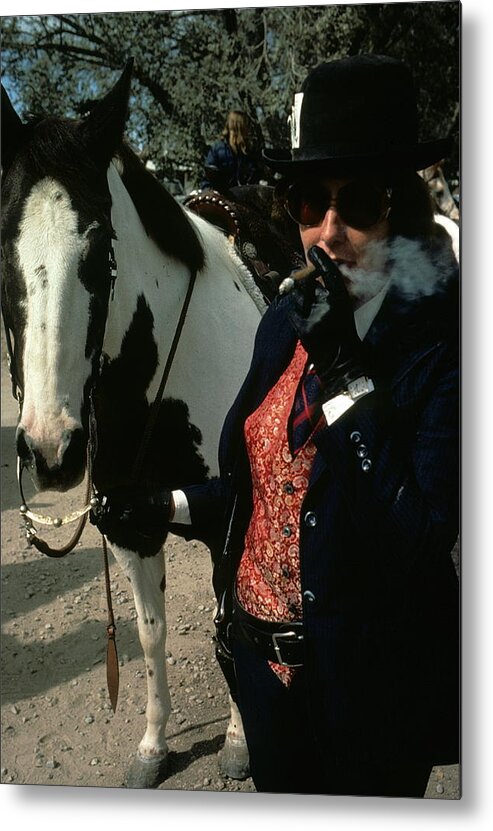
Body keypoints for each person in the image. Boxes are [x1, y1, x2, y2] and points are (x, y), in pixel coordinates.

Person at [94, 55, 459, 798]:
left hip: (366, 698)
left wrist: (346, 379)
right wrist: (163, 505)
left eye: (356, 202)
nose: (326, 232)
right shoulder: (283, 322)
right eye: (304, 201)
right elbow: (259, 490)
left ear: (403, 210)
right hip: (264, 687)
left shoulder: (443, 347)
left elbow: (417, 542)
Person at [201, 109, 262, 192]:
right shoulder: (218, 150)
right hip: (221, 198)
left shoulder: (249, 152)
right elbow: (207, 179)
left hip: (243, 199)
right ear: (240, 128)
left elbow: (255, 178)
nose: (248, 131)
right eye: (246, 126)